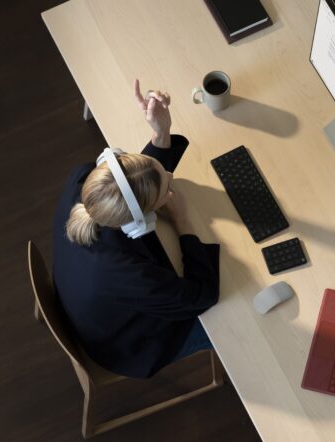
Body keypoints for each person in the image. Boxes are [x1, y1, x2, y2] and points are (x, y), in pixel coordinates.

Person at [51, 79, 220, 379]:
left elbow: (133, 184)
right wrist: (183, 223)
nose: (170, 175)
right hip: (128, 346)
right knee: (230, 324)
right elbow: (202, 296)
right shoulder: (126, 273)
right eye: (165, 189)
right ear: (140, 221)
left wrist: (160, 133)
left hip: (90, 304)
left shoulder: (84, 180)